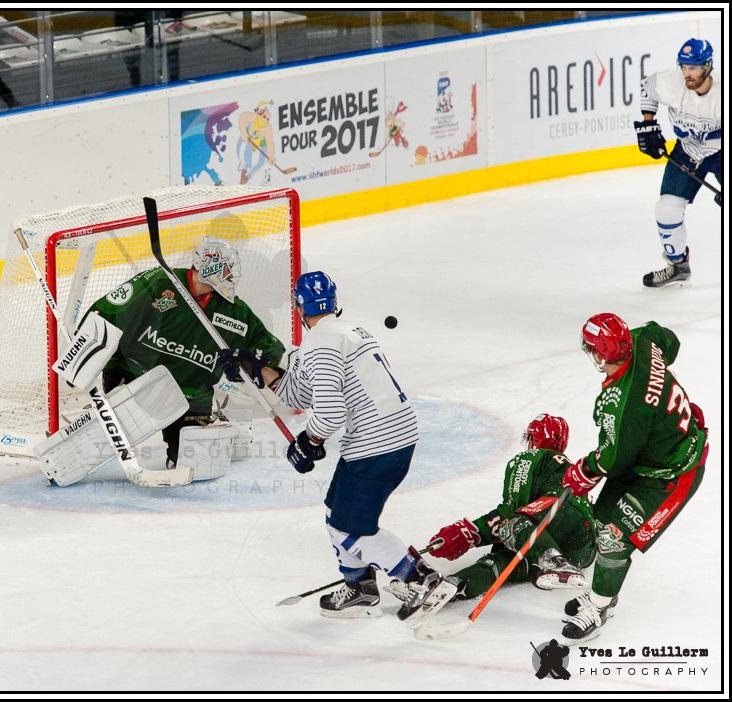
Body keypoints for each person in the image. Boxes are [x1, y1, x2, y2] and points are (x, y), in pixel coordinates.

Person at [220, 271, 452, 621]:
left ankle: (422, 580)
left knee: (349, 528)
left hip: (376, 445)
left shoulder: (321, 343)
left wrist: (309, 441)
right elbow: (302, 395)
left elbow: (330, 413)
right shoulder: (348, 332)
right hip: (394, 437)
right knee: (335, 512)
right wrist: (257, 370)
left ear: (299, 307)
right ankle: (360, 588)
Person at [560, 313, 708, 641]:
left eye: (591, 348)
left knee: (614, 538)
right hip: (648, 456)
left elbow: (614, 459)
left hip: (671, 473)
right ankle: (602, 591)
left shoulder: (623, 404)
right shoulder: (642, 340)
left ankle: (599, 607)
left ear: (601, 355)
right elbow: (669, 340)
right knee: (602, 520)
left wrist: (585, 471)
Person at [79, 236, 285, 468]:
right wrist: (81, 358)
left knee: (193, 463)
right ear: (210, 266)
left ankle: (223, 428)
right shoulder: (160, 282)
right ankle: (83, 437)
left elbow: (271, 348)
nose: (230, 276)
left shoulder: (235, 311)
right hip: (136, 374)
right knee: (108, 433)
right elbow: (106, 312)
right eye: (226, 269)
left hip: (191, 393)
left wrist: (255, 364)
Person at [426, 414, 596, 603]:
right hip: (581, 551)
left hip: (558, 513)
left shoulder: (532, 457)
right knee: (503, 559)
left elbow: (510, 511)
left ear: (536, 438)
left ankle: (554, 561)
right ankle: (454, 586)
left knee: (512, 525)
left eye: (530, 437)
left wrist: (469, 532)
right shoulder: (571, 469)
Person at [634, 38, 722, 288]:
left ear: (708, 66)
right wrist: (648, 125)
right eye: (684, 66)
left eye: (693, 68)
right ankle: (678, 266)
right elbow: (648, 87)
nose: (687, 73)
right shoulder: (672, 82)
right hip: (687, 150)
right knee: (666, 209)